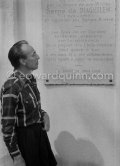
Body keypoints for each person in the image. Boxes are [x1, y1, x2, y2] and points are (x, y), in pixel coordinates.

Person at [0, 40, 57, 166]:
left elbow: (29, 108)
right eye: (33, 54)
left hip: (39, 135)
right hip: (26, 140)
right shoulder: (11, 86)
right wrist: (16, 156)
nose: (38, 57)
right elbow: (7, 125)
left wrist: (43, 114)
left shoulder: (31, 79)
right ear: (22, 61)